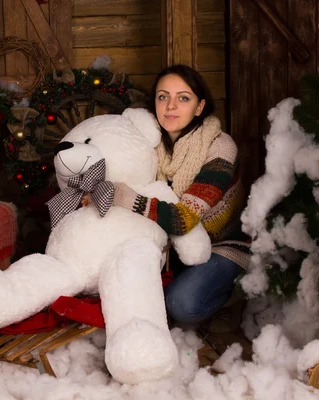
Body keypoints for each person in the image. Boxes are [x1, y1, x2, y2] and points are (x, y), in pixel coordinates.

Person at [83, 65, 250, 331]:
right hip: (172, 248)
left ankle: (235, 296)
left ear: (199, 107)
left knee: (181, 304)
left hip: (221, 245)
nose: (171, 106)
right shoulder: (148, 144)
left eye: (183, 98)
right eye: (163, 97)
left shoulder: (221, 148)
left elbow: (184, 220)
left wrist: (124, 195)